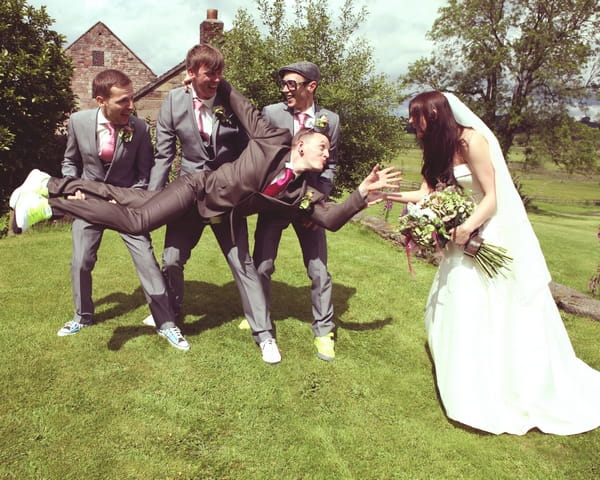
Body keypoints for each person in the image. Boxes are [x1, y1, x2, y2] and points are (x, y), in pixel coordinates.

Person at [12, 79, 400, 364]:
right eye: (322, 145)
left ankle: (46, 187)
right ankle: (50, 200)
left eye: (328, 148)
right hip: (196, 190)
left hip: (223, 214)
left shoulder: (301, 194)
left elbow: (331, 219)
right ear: (300, 143)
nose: (326, 152)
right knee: (139, 223)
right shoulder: (273, 138)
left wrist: (362, 194)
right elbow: (239, 102)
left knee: (136, 203)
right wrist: (206, 76)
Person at [383, 90, 600, 435]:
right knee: (456, 300)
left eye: (415, 115)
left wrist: (468, 227)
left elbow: (493, 196)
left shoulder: (472, 142)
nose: (411, 122)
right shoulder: (435, 147)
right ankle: (463, 377)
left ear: (435, 115)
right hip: (461, 234)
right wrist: (384, 195)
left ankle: (499, 381)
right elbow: (427, 193)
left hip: (487, 230)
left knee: (491, 304)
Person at [9, 69, 189, 350]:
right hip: (88, 202)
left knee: (147, 262)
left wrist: (127, 199)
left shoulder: (139, 129)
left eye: (131, 100)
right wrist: (74, 188)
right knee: (81, 260)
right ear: (100, 100)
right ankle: (83, 316)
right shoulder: (78, 122)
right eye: (123, 101)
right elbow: (70, 162)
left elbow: (144, 174)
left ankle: (166, 324)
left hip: (125, 206)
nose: (131, 106)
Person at [146, 44, 270, 347]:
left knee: (242, 263)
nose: (216, 79)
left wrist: (244, 183)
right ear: (190, 73)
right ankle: (172, 309)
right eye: (209, 73)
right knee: (172, 258)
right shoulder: (173, 102)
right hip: (188, 192)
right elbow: (164, 155)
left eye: (220, 73)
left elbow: (252, 144)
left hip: (227, 194)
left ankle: (264, 335)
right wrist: (153, 200)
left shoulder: (231, 101)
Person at [254, 61, 340, 361]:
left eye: (292, 84)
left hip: (310, 204)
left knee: (318, 270)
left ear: (311, 86)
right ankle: (259, 317)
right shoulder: (271, 113)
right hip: (277, 202)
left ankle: (323, 331)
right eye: (284, 84)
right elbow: (264, 157)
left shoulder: (331, 119)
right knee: (262, 266)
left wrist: (318, 201)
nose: (285, 89)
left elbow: (331, 165)